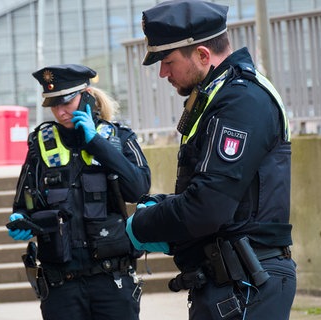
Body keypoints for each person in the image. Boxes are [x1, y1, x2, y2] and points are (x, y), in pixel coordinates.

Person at [125, 1, 296, 319]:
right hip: (228, 281)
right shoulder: (218, 97)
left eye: (168, 61)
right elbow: (213, 189)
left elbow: (206, 209)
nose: (163, 72)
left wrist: (141, 226)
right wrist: (163, 206)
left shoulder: (241, 101)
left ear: (203, 55)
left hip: (247, 283)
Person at [7, 64, 151, 320]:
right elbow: (23, 202)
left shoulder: (118, 137)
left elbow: (138, 188)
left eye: (67, 102)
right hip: (62, 285)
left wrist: (96, 142)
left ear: (86, 96)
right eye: (53, 105)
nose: (60, 112)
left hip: (111, 281)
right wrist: (21, 219)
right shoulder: (39, 144)